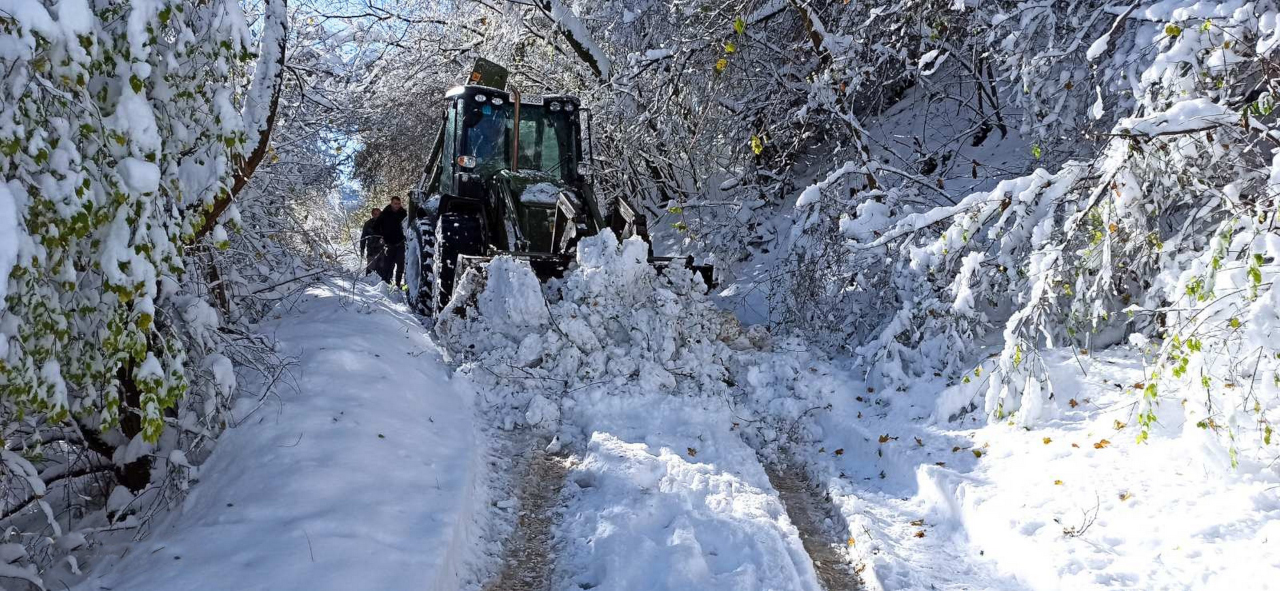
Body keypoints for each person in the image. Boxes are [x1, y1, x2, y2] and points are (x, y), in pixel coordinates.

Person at [377, 196, 408, 287]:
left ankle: (398, 284)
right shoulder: (385, 213)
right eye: (395, 204)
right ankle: (385, 283)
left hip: (400, 242)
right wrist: (381, 236)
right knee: (388, 264)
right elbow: (377, 226)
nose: (397, 205)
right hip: (389, 243)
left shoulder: (403, 213)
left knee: (400, 264)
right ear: (391, 203)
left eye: (398, 204)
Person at [359, 208, 383, 275]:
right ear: (372, 215)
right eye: (375, 214)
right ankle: (368, 283)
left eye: (379, 214)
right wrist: (362, 248)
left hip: (382, 250)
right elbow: (363, 237)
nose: (377, 216)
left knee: (382, 270)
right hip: (371, 250)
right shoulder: (368, 224)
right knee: (370, 269)